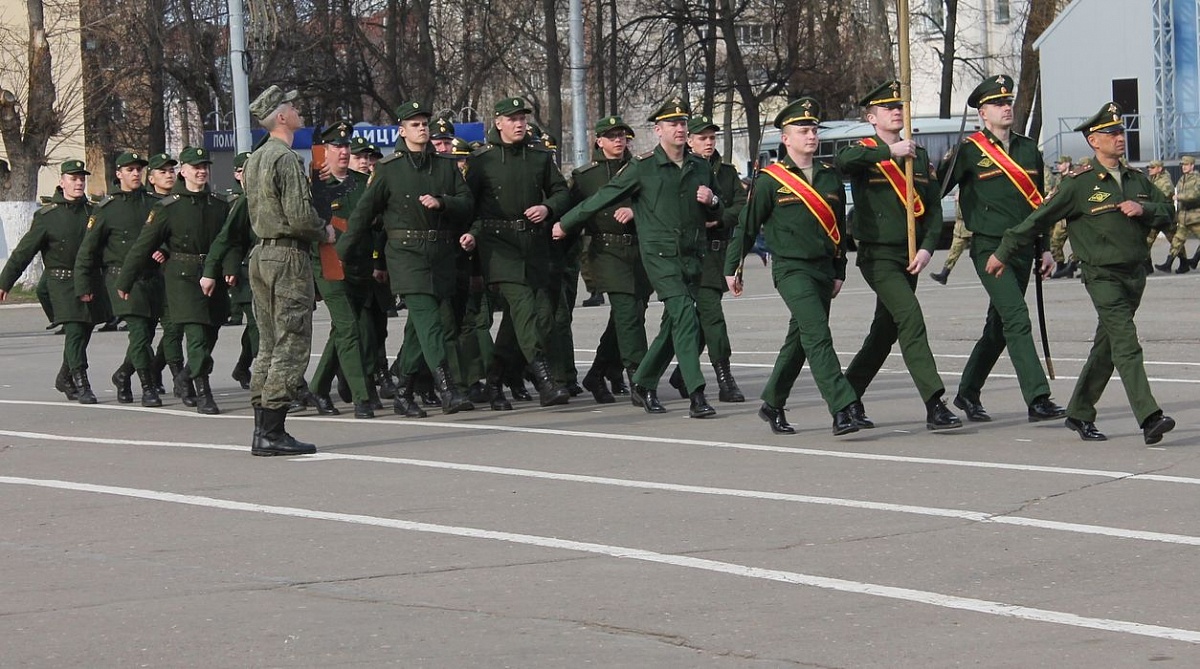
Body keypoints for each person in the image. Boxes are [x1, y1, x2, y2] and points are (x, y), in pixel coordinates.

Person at [986, 102, 1176, 445]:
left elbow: (1168, 212)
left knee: (1107, 347)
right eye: (1111, 133)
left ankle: (1079, 412)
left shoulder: (1137, 179)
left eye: (1121, 132)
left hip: (1135, 275)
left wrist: (1143, 207)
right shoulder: (1077, 183)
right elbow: (1037, 219)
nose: (1120, 138)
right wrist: (1003, 251)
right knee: (1126, 343)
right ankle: (1150, 417)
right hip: (1102, 276)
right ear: (1093, 140)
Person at [555, 96, 724, 418]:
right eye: (672, 124)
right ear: (658, 130)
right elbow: (603, 196)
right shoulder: (643, 167)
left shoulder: (700, 166)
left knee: (676, 323)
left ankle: (644, 381)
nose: (679, 128)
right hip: (659, 256)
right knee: (685, 316)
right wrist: (565, 223)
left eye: (683, 123)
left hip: (693, 255)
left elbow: (720, 208)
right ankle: (697, 394)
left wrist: (713, 200)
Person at [725, 97, 869, 436]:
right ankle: (843, 406)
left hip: (822, 269)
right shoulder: (770, 180)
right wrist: (733, 267)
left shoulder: (829, 177)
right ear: (785, 139)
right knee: (818, 335)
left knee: (801, 340)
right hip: (791, 270)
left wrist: (839, 270)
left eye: (813, 129)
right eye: (802, 130)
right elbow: (746, 226)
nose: (810, 135)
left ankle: (772, 403)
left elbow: (837, 229)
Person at [938, 74, 1065, 424]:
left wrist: (1046, 249)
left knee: (999, 325)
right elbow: (937, 189)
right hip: (990, 248)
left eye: (1008, 101)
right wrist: (945, 161)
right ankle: (1038, 398)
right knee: (1016, 318)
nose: (1006, 107)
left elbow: (1037, 207)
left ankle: (967, 393)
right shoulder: (969, 150)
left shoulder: (1027, 150)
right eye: (997, 103)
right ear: (982, 112)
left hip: (1023, 249)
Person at [836, 80, 960, 430]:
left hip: (910, 256)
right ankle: (935, 402)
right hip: (878, 256)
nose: (896, 112)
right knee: (910, 317)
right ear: (871, 117)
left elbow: (934, 210)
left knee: (885, 331)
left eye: (899, 107)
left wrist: (926, 247)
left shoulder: (918, 155)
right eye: (888, 108)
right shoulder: (863, 149)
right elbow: (844, 162)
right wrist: (889, 153)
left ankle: (847, 394)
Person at [339, 100, 475, 416]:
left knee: (419, 326)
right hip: (405, 256)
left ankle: (403, 391)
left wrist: (443, 203)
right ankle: (448, 388)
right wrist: (342, 253)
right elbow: (362, 215)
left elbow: (467, 203)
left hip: (439, 255)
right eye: (415, 124)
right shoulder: (388, 169)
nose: (422, 128)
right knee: (430, 321)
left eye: (425, 123)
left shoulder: (444, 166)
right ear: (402, 130)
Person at [461, 96, 572, 408]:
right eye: (512, 119)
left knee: (527, 319)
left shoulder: (539, 157)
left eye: (523, 118)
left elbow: (561, 192)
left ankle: (495, 380)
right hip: (498, 246)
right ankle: (544, 378)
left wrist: (547, 207)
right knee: (524, 306)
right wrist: (470, 236)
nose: (520, 123)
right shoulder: (483, 161)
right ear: (498, 123)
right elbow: (468, 203)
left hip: (533, 245)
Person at [239, 85, 333, 456]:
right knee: (292, 340)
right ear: (280, 117)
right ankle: (273, 429)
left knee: (268, 343)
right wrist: (323, 230)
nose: (297, 110)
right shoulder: (285, 157)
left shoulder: (256, 157)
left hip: (261, 254)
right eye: (291, 106)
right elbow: (298, 216)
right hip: (288, 256)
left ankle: (263, 426)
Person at [117, 146, 230, 415]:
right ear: (184, 172)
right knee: (196, 335)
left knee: (212, 331)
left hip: (212, 276)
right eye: (195, 167)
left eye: (204, 166)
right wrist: (125, 280)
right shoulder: (168, 207)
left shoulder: (219, 204)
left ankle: (186, 375)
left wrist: (230, 269)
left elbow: (230, 241)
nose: (201, 171)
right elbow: (143, 246)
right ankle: (203, 392)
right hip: (182, 277)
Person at [0, 160, 106, 402]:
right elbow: (23, 252)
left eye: (81, 178)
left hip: (90, 280)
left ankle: (64, 376)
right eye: (73, 178)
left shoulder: (94, 212)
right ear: (62, 182)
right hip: (62, 282)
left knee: (85, 329)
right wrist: (5, 282)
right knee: (76, 330)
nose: (78, 183)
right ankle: (81, 381)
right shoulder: (47, 216)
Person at [563, 114, 650, 404]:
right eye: (612, 136)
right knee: (627, 311)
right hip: (606, 249)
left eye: (623, 136)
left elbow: (655, 202)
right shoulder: (586, 177)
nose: (618, 141)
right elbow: (572, 213)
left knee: (633, 313)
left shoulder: (642, 168)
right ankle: (639, 376)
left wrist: (636, 213)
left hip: (640, 248)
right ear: (599, 141)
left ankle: (598, 372)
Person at [74, 151, 165, 407]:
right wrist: (82, 284)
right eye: (130, 169)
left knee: (145, 336)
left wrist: (165, 251)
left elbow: (169, 235)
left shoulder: (154, 204)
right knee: (138, 333)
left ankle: (123, 374)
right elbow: (88, 250)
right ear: (119, 174)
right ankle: (148, 388)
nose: (136, 174)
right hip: (121, 280)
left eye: (139, 169)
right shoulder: (107, 209)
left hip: (151, 278)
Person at [668, 114, 747, 403]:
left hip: (716, 253)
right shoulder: (681, 169)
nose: (709, 143)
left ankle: (683, 374)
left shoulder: (726, 172)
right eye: (702, 138)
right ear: (689, 141)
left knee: (705, 318)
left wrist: (720, 218)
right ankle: (722, 378)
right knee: (706, 318)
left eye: (712, 137)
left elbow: (740, 206)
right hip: (688, 252)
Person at [307, 121, 377, 418]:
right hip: (328, 264)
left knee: (344, 328)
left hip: (360, 265)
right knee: (349, 328)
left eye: (347, 146)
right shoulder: (315, 186)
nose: (344, 152)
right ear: (324, 151)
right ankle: (362, 397)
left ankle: (319, 388)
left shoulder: (363, 184)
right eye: (337, 146)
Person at [203, 150, 259, 392]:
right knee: (257, 325)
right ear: (237, 174)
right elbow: (228, 240)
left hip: (266, 268)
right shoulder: (233, 203)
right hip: (244, 271)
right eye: (244, 170)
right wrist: (230, 267)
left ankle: (243, 364)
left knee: (260, 326)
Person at [1158, 155, 1200, 273]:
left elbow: (1195, 195)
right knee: (1177, 240)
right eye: (1182, 165)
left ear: (1192, 165)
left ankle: (1195, 259)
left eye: (1186, 165)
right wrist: (1177, 215)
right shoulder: (1182, 179)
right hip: (1184, 217)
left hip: (1195, 216)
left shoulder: (1197, 179)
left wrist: (1179, 197)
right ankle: (1168, 263)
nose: (1184, 167)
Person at [1046, 156, 1079, 279]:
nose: (1058, 166)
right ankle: (1061, 266)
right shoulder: (1059, 178)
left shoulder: (1075, 176)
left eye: (1060, 163)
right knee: (1055, 242)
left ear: (1067, 163)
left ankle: (1073, 265)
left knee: (1079, 243)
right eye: (1057, 163)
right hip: (1062, 216)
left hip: (1074, 215)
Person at [927, 203, 970, 285]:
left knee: (981, 253)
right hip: (960, 228)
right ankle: (944, 274)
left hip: (972, 226)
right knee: (954, 252)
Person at [1144, 159, 1176, 269]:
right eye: (1149, 167)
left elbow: (1164, 196)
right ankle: (1148, 267)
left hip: (1165, 216)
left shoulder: (1165, 181)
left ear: (1159, 169)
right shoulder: (1151, 180)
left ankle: (1184, 262)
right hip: (1155, 216)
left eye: (1152, 167)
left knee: (1175, 240)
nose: (1149, 169)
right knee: (1147, 241)